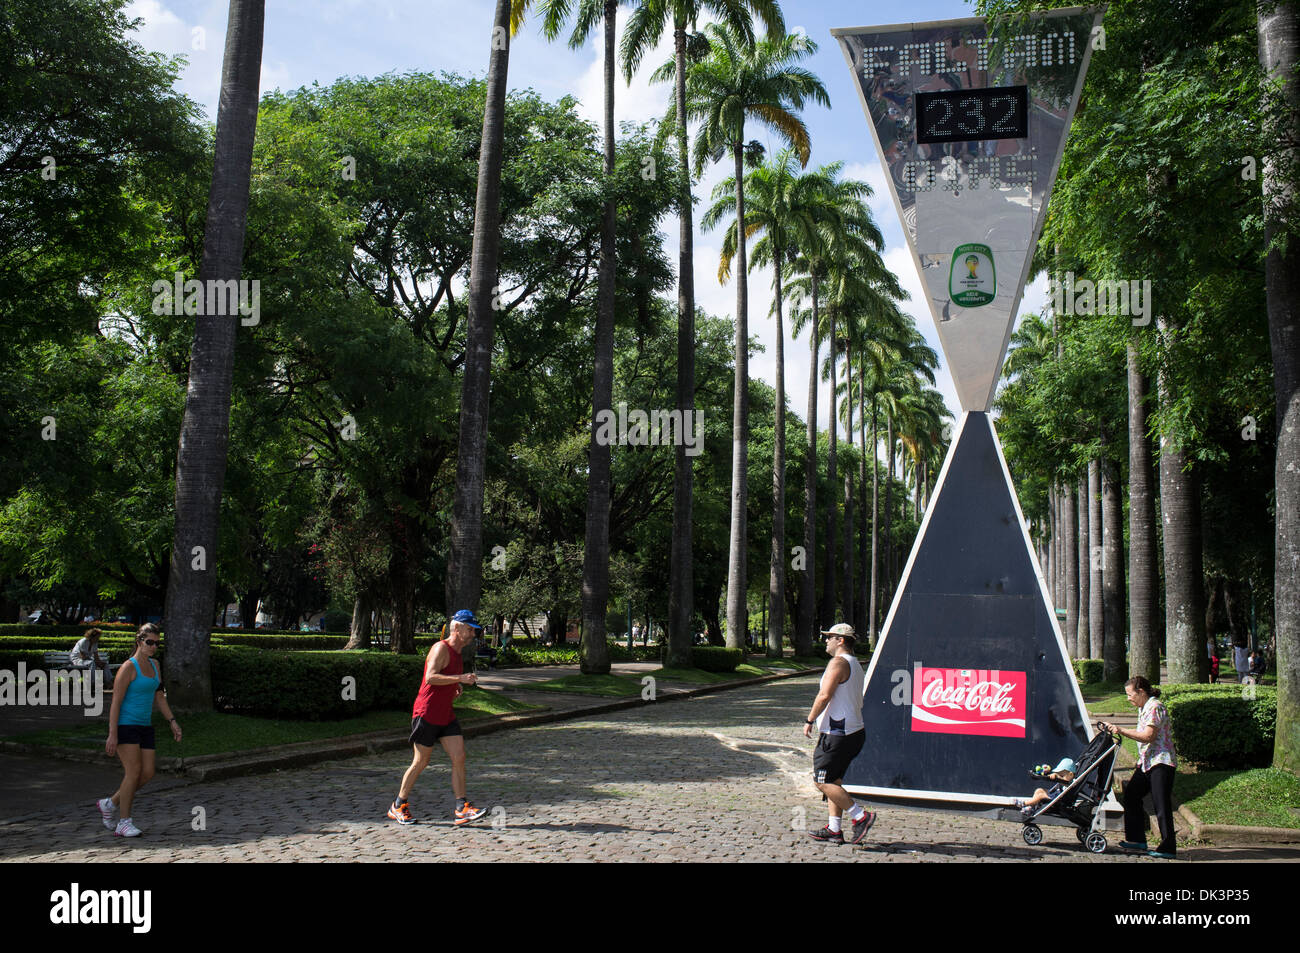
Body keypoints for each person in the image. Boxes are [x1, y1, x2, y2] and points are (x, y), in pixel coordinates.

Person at [388, 609, 488, 827]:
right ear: (457, 628)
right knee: (421, 761)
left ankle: (462, 808)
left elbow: (445, 678)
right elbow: (431, 677)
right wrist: (459, 677)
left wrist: (455, 685)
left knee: (459, 757)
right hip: (427, 712)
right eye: (470, 629)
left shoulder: (458, 654)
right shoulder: (440, 648)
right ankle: (398, 804)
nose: (473, 634)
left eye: (474, 630)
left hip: (446, 714)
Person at [98, 623, 181, 837]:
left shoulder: (155, 665)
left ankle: (110, 803)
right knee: (133, 772)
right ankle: (123, 822)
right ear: (139, 641)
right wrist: (112, 734)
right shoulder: (128, 667)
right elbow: (115, 702)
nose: (153, 647)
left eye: (156, 643)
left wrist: (172, 721)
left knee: (147, 773)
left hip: (145, 725)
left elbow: (159, 697)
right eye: (149, 642)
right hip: (126, 724)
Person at [804, 623, 875, 845]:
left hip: (837, 734)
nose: (826, 640)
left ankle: (861, 816)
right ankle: (834, 829)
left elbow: (824, 695)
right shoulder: (855, 664)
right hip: (854, 731)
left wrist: (809, 720)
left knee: (821, 780)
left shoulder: (838, 663)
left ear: (841, 640)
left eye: (830, 637)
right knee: (834, 780)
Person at [1098, 676, 1177, 859]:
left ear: (1141, 691)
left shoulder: (1155, 706)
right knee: (1132, 794)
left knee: (1161, 804)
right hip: (1147, 762)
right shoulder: (1144, 707)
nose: (1128, 698)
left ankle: (1168, 847)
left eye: (1130, 694)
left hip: (1161, 762)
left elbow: (1148, 736)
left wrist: (1121, 730)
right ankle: (1136, 839)